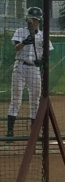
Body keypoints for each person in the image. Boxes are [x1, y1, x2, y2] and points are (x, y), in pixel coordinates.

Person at [7, 7, 52, 137]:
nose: (33, 22)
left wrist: (42, 61)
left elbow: (47, 54)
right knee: (16, 99)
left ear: (39, 21)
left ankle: (34, 129)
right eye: (31, 19)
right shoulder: (20, 31)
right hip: (20, 67)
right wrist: (24, 42)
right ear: (27, 19)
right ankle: (10, 131)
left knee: (35, 100)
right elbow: (16, 48)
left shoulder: (43, 36)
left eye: (36, 20)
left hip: (34, 69)